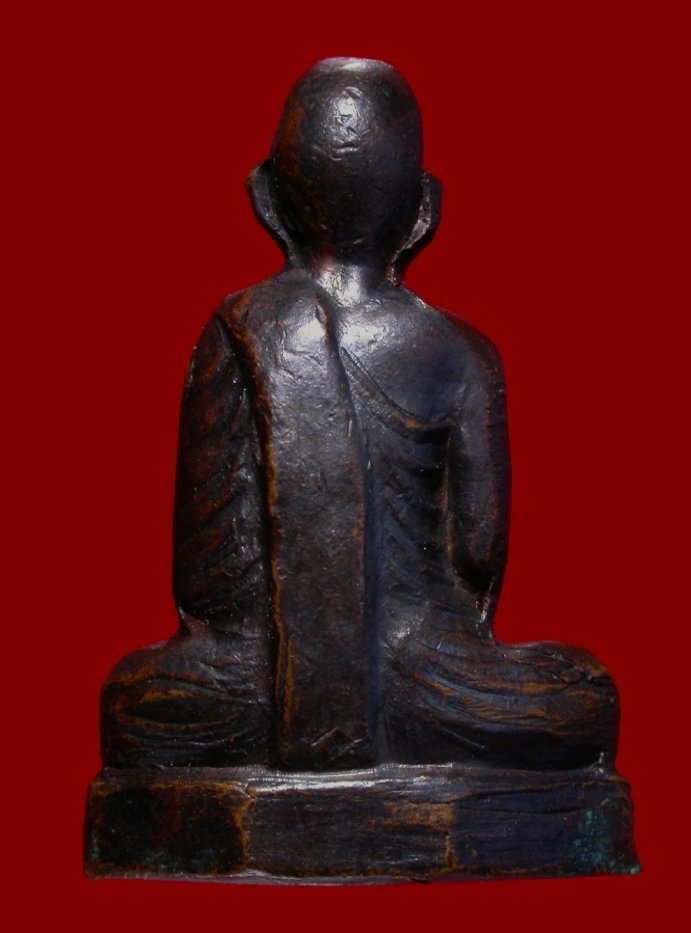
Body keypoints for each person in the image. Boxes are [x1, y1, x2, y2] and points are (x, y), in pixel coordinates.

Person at [101, 58, 619, 772]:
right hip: (421, 681)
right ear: (424, 210)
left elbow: (200, 580)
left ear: (266, 200)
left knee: (132, 698)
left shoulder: (235, 330)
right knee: (584, 692)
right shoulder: (461, 354)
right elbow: (476, 556)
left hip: (257, 692)